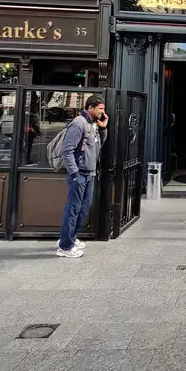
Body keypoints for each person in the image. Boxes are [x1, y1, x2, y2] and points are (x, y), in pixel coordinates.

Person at [57, 95, 108, 258]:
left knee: (83, 208)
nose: (103, 112)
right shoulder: (79, 123)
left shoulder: (92, 123)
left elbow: (98, 145)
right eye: (100, 108)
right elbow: (68, 150)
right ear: (90, 107)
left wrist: (103, 128)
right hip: (80, 173)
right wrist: (74, 173)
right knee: (73, 209)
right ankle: (65, 246)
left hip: (89, 172)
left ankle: (71, 238)